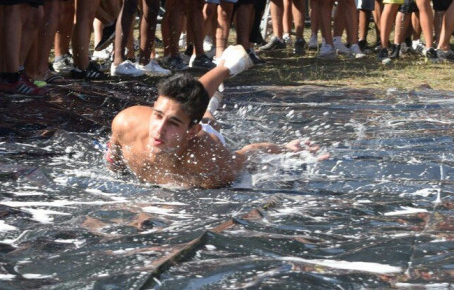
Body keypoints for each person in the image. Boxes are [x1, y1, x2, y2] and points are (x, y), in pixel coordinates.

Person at [106, 45, 320, 188]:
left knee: (207, 119)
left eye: (172, 124)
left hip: (202, 137)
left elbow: (247, 154)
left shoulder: (209, 163)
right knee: (185, 101)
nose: (159, 129)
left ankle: (222, 73)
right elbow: (114, 156)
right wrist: (114, 164)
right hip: (184, 119)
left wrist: (287, 149)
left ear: (192, 132)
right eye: (157, 116)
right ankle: (222, 73)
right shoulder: (126, 122)